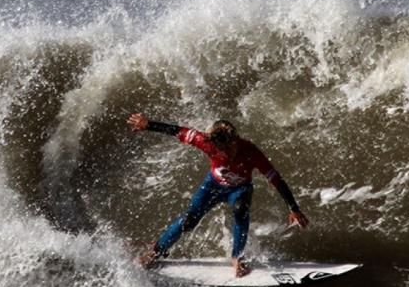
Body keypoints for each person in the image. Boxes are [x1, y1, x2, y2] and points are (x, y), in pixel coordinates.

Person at [127, 112, 309, 277]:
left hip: (239, 190)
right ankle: (156, 251)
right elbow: (177, 130)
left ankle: (237, 257)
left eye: (229, 149)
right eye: (221, 150)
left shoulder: (251, 151)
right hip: (212, 186)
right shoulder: (204, 141)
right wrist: (148, 124)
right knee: (190, 220)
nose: (226, 154)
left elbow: (276, 179)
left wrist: (294, 208)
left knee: (240, 209)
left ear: (235, 139)